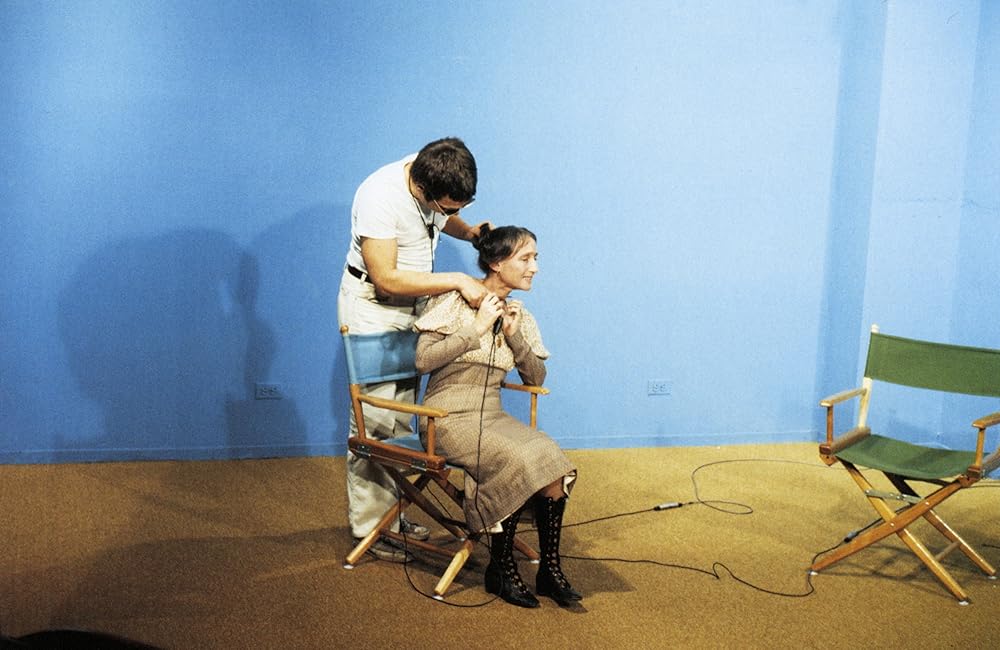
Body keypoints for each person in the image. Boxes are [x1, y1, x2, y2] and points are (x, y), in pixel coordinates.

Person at [413, 225, 582, 608]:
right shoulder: (454, 301)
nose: (535, 267)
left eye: (535, 258)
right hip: (446, 418)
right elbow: (422, 361)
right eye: (526, 258)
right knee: (515, 457)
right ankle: (501, 568)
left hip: (491, 415)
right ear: (496, 263)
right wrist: (475, 328)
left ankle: (549, 570)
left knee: (550, 457)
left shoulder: (521, 315)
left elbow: (536, 379)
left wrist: (514, 335)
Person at [338, 137, 489, 561]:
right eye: (448, 207)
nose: (452, 214)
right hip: (375, 307)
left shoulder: (430, 170)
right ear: (423, 189)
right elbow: (385, 277)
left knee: (401, 414)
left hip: (413, 306)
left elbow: (440, 218)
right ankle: (372, 528)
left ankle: (391, 515)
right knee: (375, 419)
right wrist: (457, 279)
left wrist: (469, 232)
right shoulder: (380, 195)